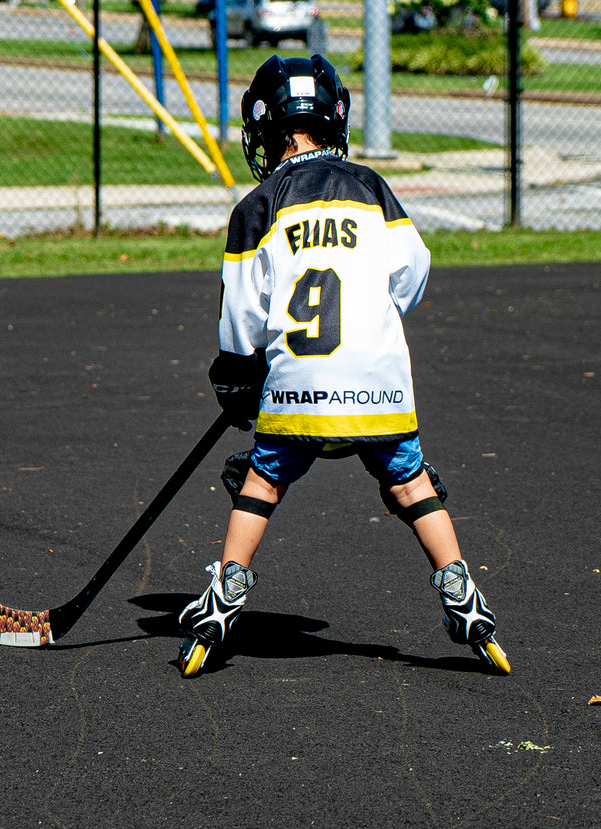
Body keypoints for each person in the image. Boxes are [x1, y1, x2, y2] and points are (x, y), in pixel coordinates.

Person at [175, 54, 509, 679]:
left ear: (267, 129)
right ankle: (463, 595)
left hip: (298, 386)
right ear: (335, 119)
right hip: (378, 383)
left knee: (262, 480)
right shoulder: (372, 187)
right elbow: (411, 272)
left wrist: (239, 377)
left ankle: (225, 600)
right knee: (410, 482)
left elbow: (241, 319)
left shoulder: (256, 206)